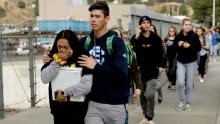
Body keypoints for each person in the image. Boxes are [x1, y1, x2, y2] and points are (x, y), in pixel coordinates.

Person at [80, 1, 129, 124]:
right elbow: (68, 58)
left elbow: (121, 74)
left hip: (116, 105)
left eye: (97, 16)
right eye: (91, 16)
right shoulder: (84, 42)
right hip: (93, 105)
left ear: (107, 19)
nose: (93, 20)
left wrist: (96, 66)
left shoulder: (117, 42)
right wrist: (51, 58)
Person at [41, 30, 92, 124]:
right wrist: (58, 61)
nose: (62, 50)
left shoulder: (82, 58)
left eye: (66, 47)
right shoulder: (52, 57)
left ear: (73, 46)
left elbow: (86, 86)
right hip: (58, 110)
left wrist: (64, 93)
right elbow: (45, 78)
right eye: (59, 47)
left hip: (79, 111)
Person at [130, 16, 165, 124]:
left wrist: (161, 66)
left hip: (152, 71)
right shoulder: (136, 38)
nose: (146, 24)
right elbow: (132, 49)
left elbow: (161, 53)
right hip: (140, 71)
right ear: (140, 25)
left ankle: (150, 117)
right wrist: (136, 36)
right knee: (142, 96)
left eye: (148, 22)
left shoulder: (156, 38)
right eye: (144, 22)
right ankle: (146, 115)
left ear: (150, 24)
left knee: (149, 94)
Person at [111, 27, 142, 124]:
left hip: (124, 87)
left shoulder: (128, 51)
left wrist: (138, 87)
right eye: (113, 35)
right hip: (108, 88)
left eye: (117, 35)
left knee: (123, 113)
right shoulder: (105, 52)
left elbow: (135, 71)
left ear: (121, 37)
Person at [174, 18, 201, 111]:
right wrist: (178, 44)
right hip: (181, 62)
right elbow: (174, 49)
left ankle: (188, 103)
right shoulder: (178, 36)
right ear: (182, 26)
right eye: (186, 24)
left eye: (190, 24)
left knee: (189, 84)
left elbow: (198, 48)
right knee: (181, 83)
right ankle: (181, 101)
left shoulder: (194, 36)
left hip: (191, 62)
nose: (188, 26)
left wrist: (190, 46)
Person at [150, 24, 163, 103]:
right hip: (147, 66)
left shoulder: (158, 39)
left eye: (152, 29)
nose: (150, 30)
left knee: (157, 83)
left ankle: (159, 92)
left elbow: (162, 54)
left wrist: (161, 65)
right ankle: (150, 99)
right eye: (150, 28)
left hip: (157, 65)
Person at [163, 26, 178, 91]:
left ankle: (173, 85)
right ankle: (170, 80)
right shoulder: (166, 38)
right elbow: (163, 46)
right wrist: (164, 45)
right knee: (167, 70)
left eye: (172, 31)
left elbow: (178, 47)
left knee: (173, 70)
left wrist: (171, 45)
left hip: (175, 56)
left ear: (175, 32)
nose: (171, 32)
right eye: (170, 31)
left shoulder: (177, 38)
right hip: (167, 56)